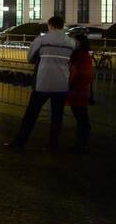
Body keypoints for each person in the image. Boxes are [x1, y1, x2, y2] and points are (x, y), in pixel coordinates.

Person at [7, 15, 76, 151]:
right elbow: (71, 61)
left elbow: (30, 58)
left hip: (42, 83)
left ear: (50, 26)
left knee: (31, 115)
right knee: (57, 117)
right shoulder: (71, 42)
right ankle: (52, 146)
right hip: (61, 84)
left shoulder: (42, 40)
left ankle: (19, 142)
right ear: (63, 26)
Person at [66, 32, 95, 154]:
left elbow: (78, 73)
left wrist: (69, 85)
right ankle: (81, 144)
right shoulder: (83, 56)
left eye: (75, 42)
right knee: (81, 118)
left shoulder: (80, 57)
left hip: (78, 91)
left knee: (81, 119)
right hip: (81, 90)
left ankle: (81, 145)